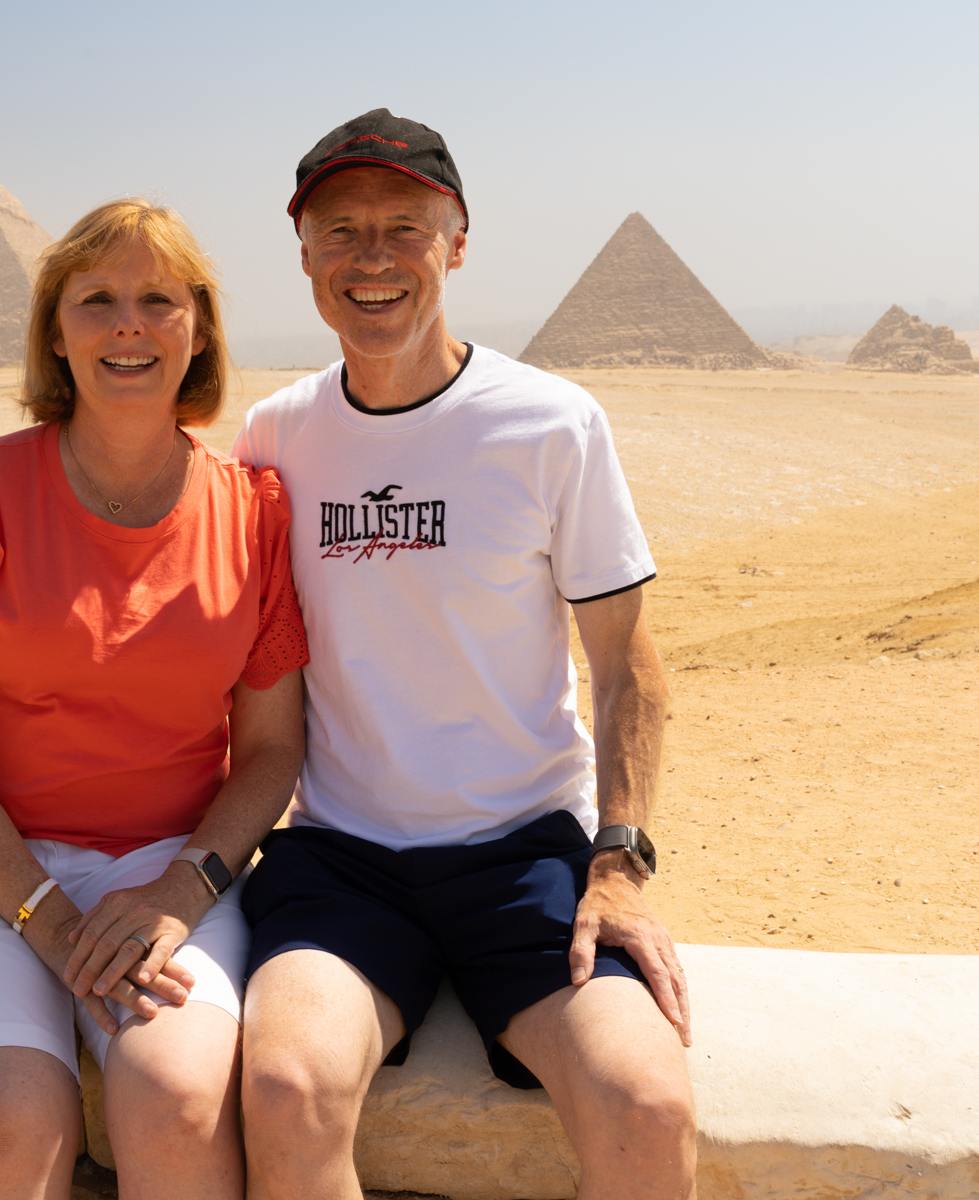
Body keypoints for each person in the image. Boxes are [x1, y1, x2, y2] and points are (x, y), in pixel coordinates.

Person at [232, 110, 697, 1200]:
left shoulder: (551, 424)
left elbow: (630, 663)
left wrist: (621, 861)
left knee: (648, 1104)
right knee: (287, 1093)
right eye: (341, 230)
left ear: (457, 241)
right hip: (343, 857)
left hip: (526, 856)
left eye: (404, 226)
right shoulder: (274, 438)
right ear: (303, 254)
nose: (372, 258)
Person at [0, 198, 308, 1200]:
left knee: (178, 1101)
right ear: (54, 330)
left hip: (175, 863)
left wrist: (176, 893)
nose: (128, 325)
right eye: (96, 299)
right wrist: (51, 919)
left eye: (158, 300)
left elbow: (274, 751)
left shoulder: (255, 511)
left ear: (197, 328)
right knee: (8, 1119)